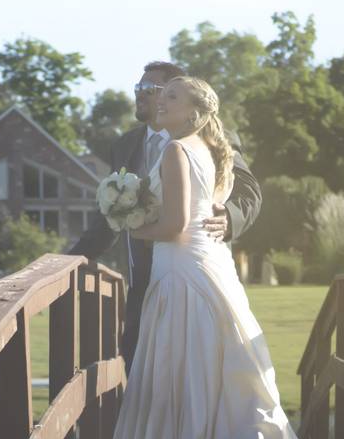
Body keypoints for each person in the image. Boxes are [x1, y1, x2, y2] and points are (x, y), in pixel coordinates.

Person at [97, 76, 344, 439]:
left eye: (171, 97)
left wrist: (131, 227)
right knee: (213, 368)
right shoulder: (208, 149)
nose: (160, 101)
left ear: (193, 111)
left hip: (182, 271)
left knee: (185, 367)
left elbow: (178, 225)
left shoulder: (178, 150)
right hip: (205, 266)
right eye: (160, 95)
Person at [67, 61, 262, 374]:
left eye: (150, 89)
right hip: (143, 280)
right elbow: (112, 217)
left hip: (190, 269)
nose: (141, 95)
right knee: (141, 369)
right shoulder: (125, 145)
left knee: (202, 362)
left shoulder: (213, 136)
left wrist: (229, 216)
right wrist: (69, 259)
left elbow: (249, 192)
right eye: (138, 89)